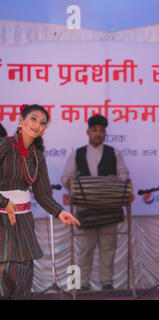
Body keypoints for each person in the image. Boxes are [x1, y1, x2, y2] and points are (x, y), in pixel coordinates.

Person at [0, 104, 79, 299]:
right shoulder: (4, 145)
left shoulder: (36, 157)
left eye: (43, 123)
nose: (37, 125)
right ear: (21, 121)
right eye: (33, 119)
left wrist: (60, 212)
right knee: (6, 273)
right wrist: (3, 202)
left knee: (23, 275)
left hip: (23, 222)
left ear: (44, 130)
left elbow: (42, 194)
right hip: (2, 220)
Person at [61, 114, 129, 291]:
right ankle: (83, 284)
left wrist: (116, 180)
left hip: (110, 210)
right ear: (88, 132)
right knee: (85, 249)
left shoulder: (114, 153)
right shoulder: (78, 154)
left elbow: (124, 176)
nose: (98, 133)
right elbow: (65, 178)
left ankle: (107, 283)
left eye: (101, 130)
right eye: (94, 130)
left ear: (105, 133)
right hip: (85, 210)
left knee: (108, 249)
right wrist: (76, 186)